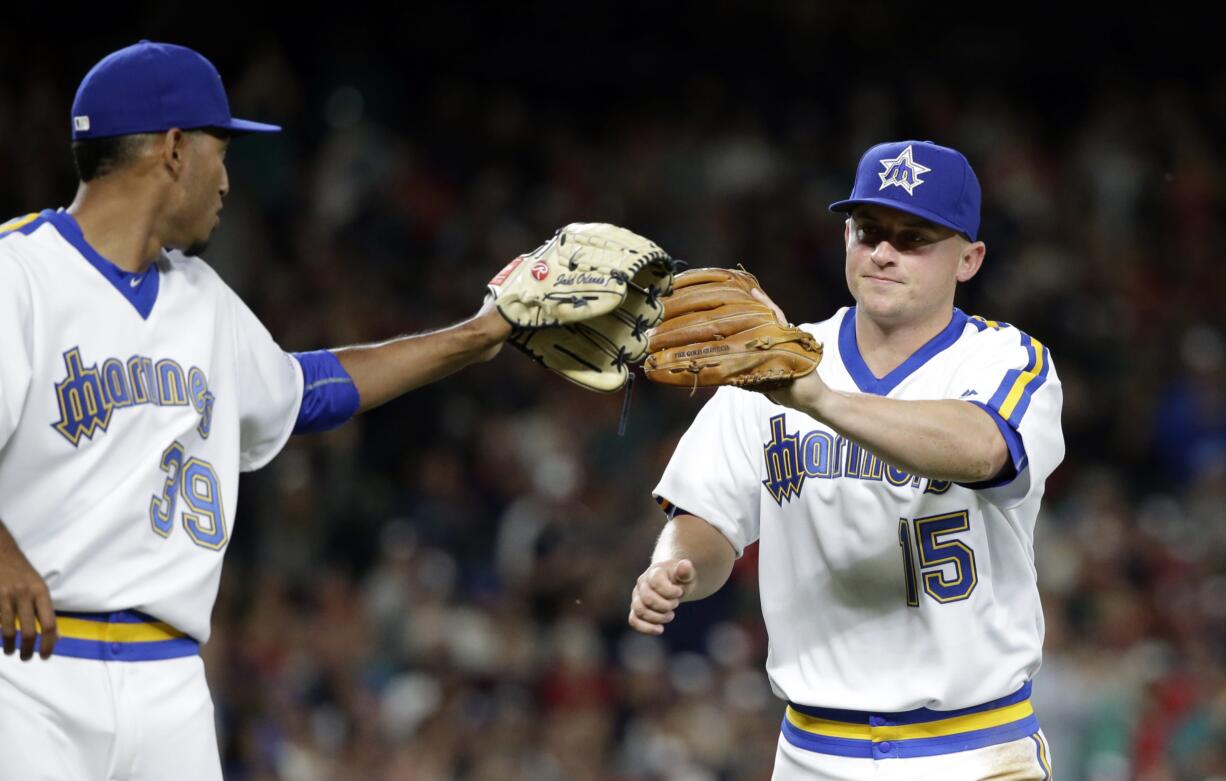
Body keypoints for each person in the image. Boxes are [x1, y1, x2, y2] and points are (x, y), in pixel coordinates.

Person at [0, 40, 553, 780]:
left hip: (169, 681)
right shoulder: (20, 274)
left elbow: (307, 393)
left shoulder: (201, 298)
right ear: (172, 149)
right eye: (220, 151)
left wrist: (474, 336)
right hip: (28, 672)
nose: (228, 180)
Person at [629, 140, 1064, 779]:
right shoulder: (774, 363)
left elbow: (980, 447)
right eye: (869, 232)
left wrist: (818, 399)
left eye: (914, 239)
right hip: (814, 752)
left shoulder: (1004, 360)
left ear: (968, 260)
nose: (884, 252)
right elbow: (709, 518)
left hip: (974, 748)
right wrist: (676, 567)